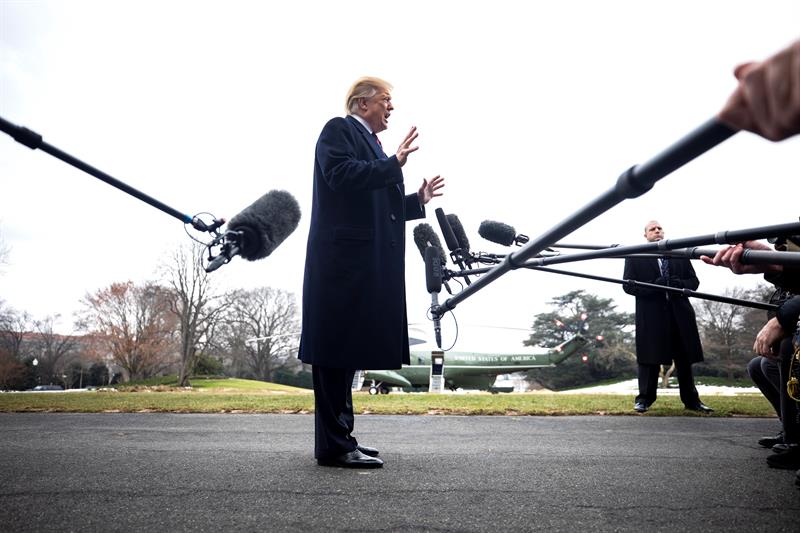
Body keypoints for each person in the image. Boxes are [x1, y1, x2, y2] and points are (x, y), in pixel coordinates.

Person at [298, 77, 444, 468]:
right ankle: (334, 446)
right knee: (333, 355)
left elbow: (373, 200)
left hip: (355, 265)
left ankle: (341, 437)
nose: (391, 108)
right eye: (385, 100)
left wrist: (417, 200)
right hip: (341, 265)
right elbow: (342, 177)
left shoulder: (372, 144)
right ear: (362, 104)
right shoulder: (339, 129)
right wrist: (392, 164)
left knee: (345, 355)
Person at [623, 221, 713, 413]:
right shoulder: (634, 255)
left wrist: (678, 283)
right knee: (649, 358)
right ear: (645, 235)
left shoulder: (679, 253)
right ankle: (644, 399)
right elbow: (628, 286)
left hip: (679, 314)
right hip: (652, 316)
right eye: (652, 229)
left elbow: (694, 281)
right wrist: (654, 285)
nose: (657, 231)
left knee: (684, 358)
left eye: (659, 228)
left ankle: (692, 401)